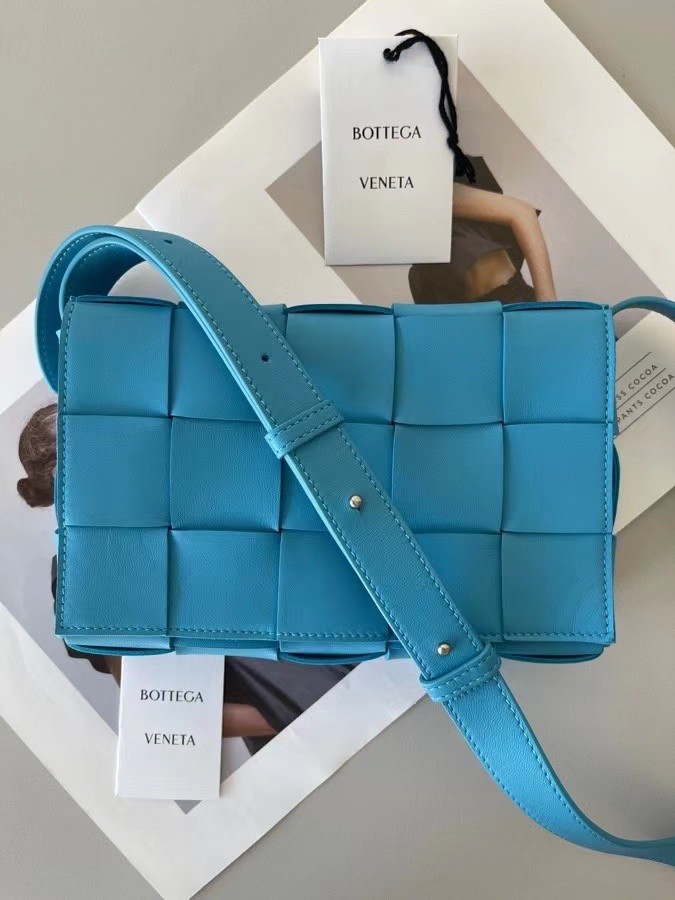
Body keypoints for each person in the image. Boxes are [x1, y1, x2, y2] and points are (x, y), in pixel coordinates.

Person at [17, 404, 354, 755]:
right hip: (312, 740)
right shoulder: (81, 577)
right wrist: (305, 714)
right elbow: (158, 712)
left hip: (359, 666)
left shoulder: (190, 488)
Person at [408, 156, 557, 304]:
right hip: (465, 314)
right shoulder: (418, 272)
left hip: (510, 302)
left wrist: (548, 306)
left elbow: (522, 212)